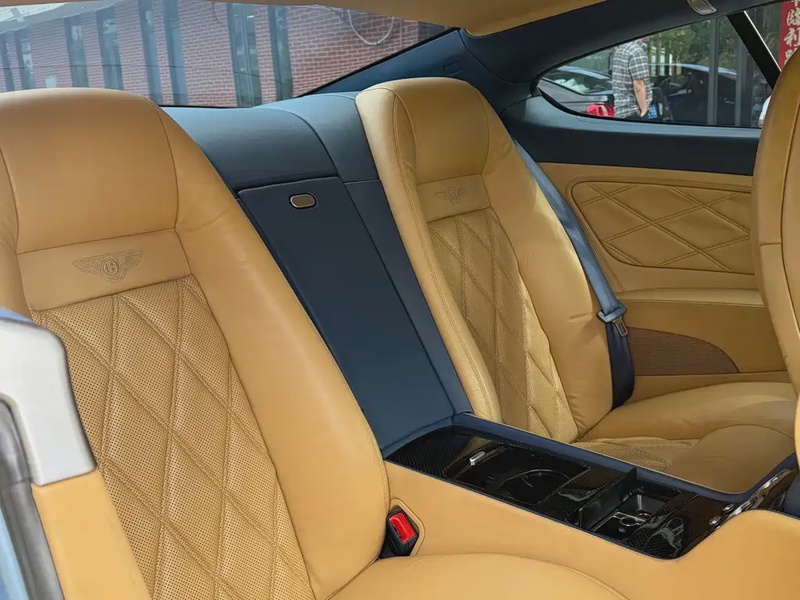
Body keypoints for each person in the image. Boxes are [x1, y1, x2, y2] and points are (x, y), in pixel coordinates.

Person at [611, 39, 652, 120]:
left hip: (621, 110)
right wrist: (644, 110)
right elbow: (638, 85)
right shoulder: (637, 52)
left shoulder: (620, 50)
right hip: (634, 112)